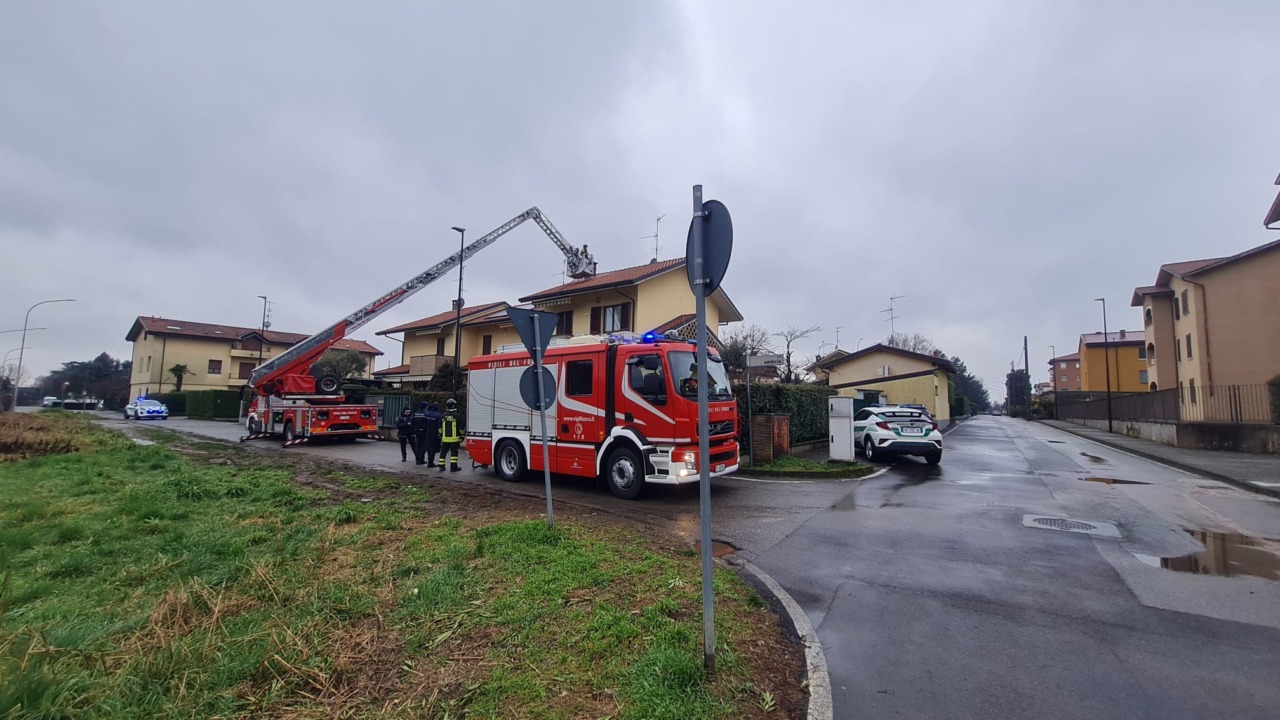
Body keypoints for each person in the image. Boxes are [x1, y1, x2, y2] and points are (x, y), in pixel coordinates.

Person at [437, 398, 462, 472]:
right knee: (454, 454)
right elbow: (461, 428)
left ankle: (441, 466)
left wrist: (440, 435)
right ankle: (453, 468)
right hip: (454, 439)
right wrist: (462, 435)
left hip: (444, 439)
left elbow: (439, 428)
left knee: (443, 453)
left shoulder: (443, 416)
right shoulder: (457, 416)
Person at [422, 402, 443, 467]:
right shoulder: (439, 415)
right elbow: (441, 425)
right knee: (433, 449)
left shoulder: (427, 414)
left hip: (428, 433)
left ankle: (429, 461)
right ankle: (430, 462)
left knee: (429, 448)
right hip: (435, 434)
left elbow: (424, 424)